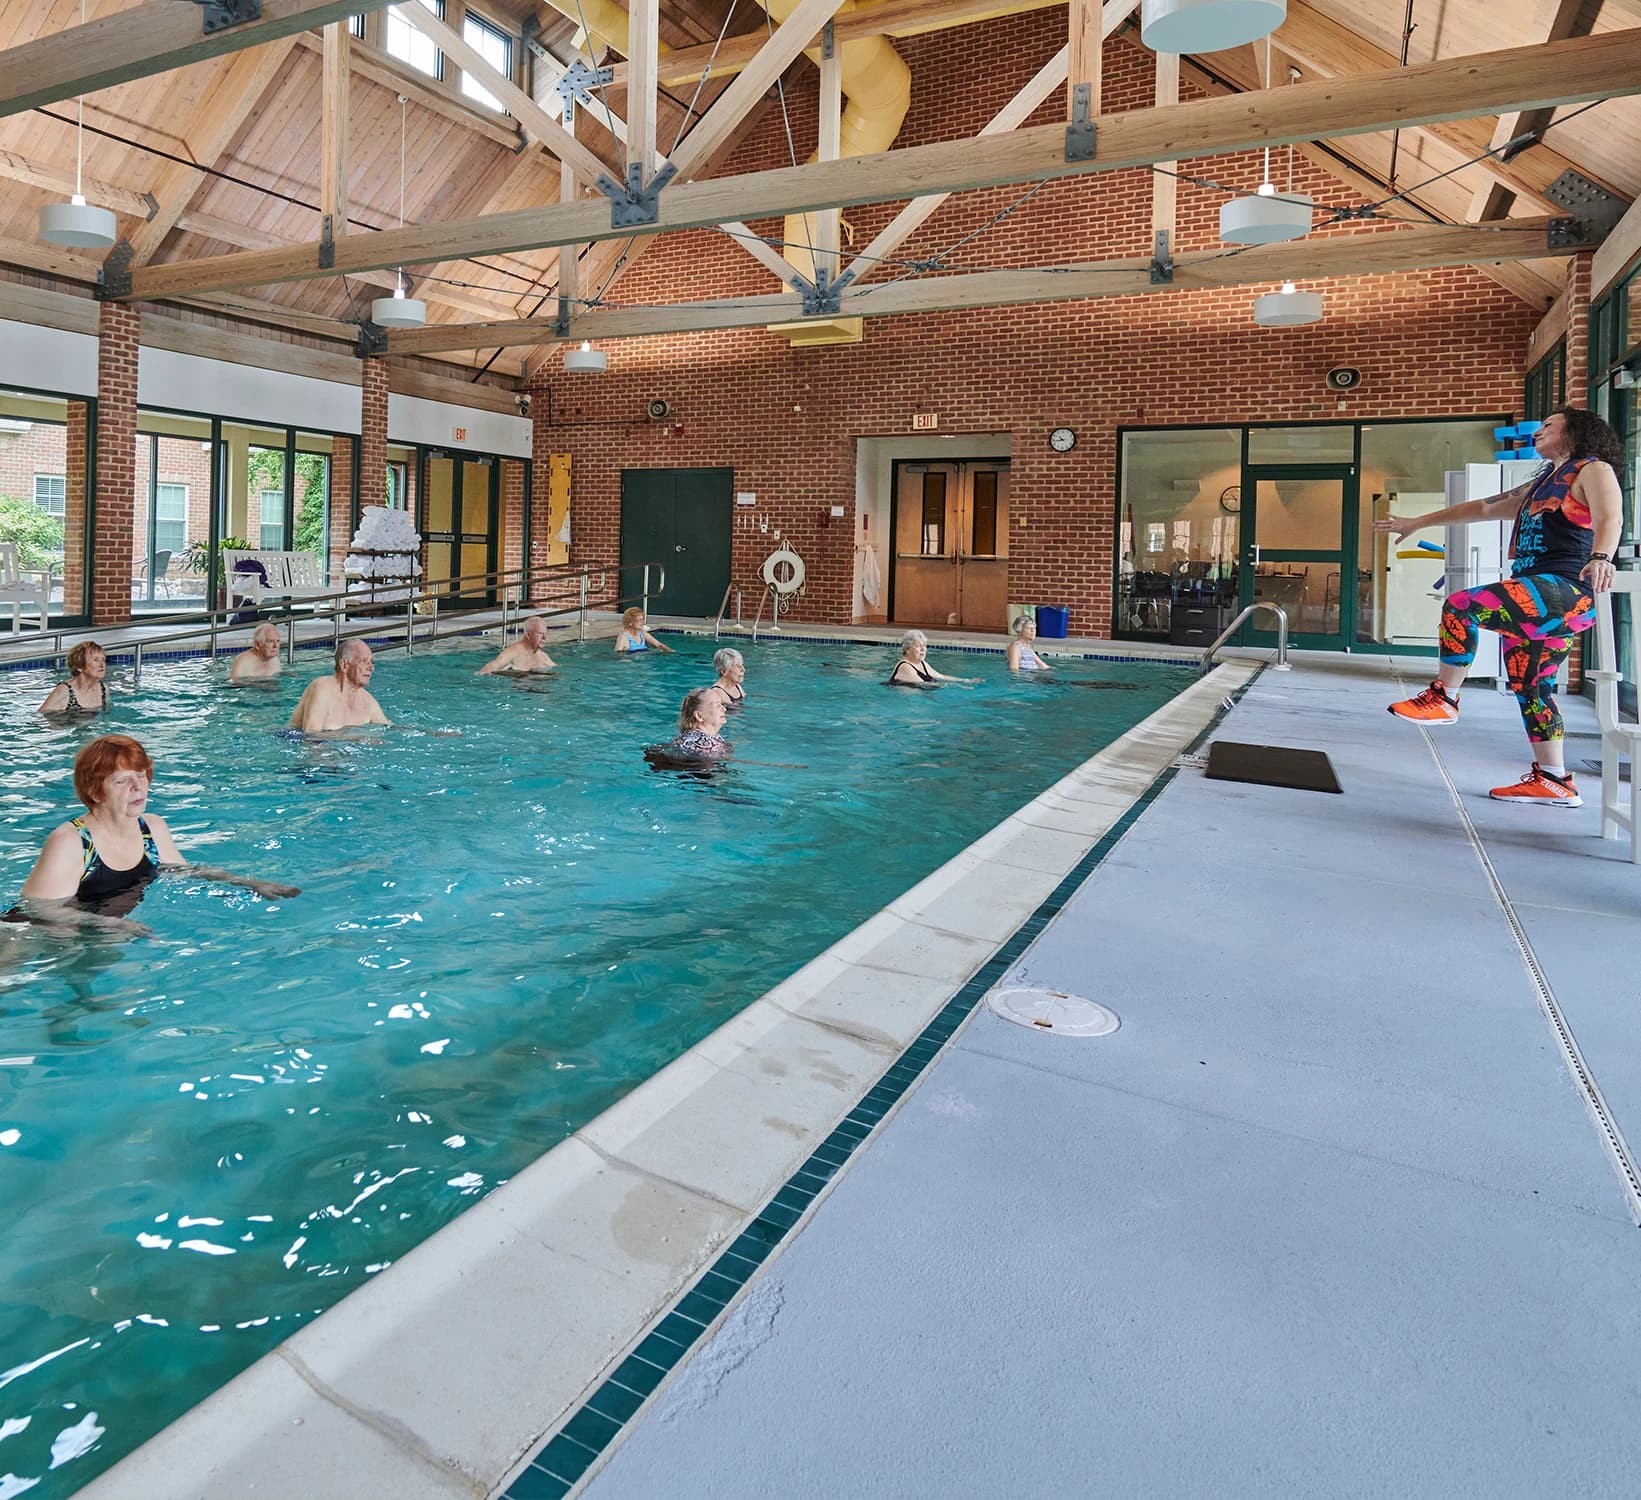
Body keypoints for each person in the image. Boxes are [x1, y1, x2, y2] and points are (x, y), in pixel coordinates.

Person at [1379, 406, 1624, 806]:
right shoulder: (1542, 484)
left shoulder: (1592, 469)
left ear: (1576, 432)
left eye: (1549, 425)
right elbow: (1482, 508)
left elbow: (1610, 516)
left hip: (1565, 591)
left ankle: (1444, 697)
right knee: (1532, 688)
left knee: (1461, 606)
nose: (1539, 431)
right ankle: (1554, 780)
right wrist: (1417, 522)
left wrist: (1601, 557)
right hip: (1537, 595)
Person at [15, 734, 299, 933]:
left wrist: (249, 883)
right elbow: (39, 910)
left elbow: (184, 871)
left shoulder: (151, 827)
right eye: (123, 781)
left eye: (141, 776)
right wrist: (110, 923)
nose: (138, 787)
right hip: (34, 933)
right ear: (95, 792)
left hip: (100, 928)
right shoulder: (71, 841)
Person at [289, 639, 389, 732]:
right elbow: (310, 736)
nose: (371, 668)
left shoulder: (368, 702)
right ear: (344, 665)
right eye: (364, 661)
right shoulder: (322, 688)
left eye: (371, 661)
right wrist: (354, 737)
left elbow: (390, 730)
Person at [648, 686, 732, 765]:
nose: (724, 709)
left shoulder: (710, 738)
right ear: (699, 716)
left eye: (721, 704)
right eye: (717, 705)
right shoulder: (700, 745)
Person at [886, 629, 980, 687]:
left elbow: (941, 677)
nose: (923, 649)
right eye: (918, 646)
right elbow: (924, 685)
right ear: (907, 649)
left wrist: (966, 681)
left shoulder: (922, 664)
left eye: (924, 645)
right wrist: (959, 687)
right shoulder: (904, 667)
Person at [40, 640, 110, 714]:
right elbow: (42, 715)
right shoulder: (65, 691)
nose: (102, 664)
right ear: (79, 666)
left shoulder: (103, 689)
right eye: (96, 660)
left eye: (103, 660)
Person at [478, 615, 557, 675]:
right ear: (528, 635)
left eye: (545, 633)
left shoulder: (543, 657)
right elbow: (491, 666)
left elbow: (557, 671)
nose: (544, 637)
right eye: (540, 633)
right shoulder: (513, 652)